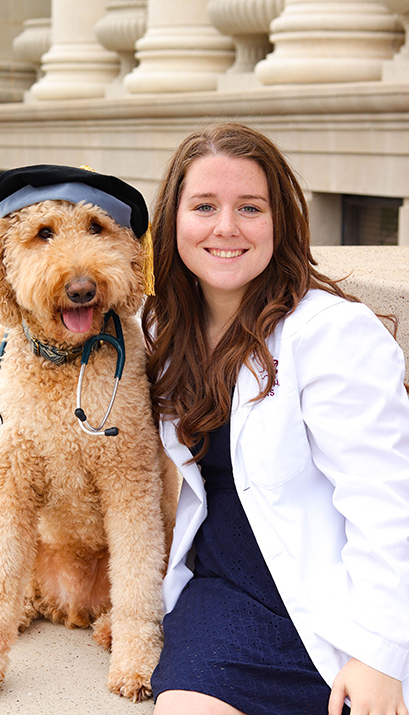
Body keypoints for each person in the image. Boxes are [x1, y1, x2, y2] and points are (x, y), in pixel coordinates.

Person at [141, 123, 409, 715]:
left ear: (279, 221)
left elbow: (387, 500)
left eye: (250, 208)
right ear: (174, 219)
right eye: (204, 206)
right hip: (224, 593)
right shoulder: (160, 328)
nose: (226, 227)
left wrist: (379, 655)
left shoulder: (331, 333)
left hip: (329, 597)